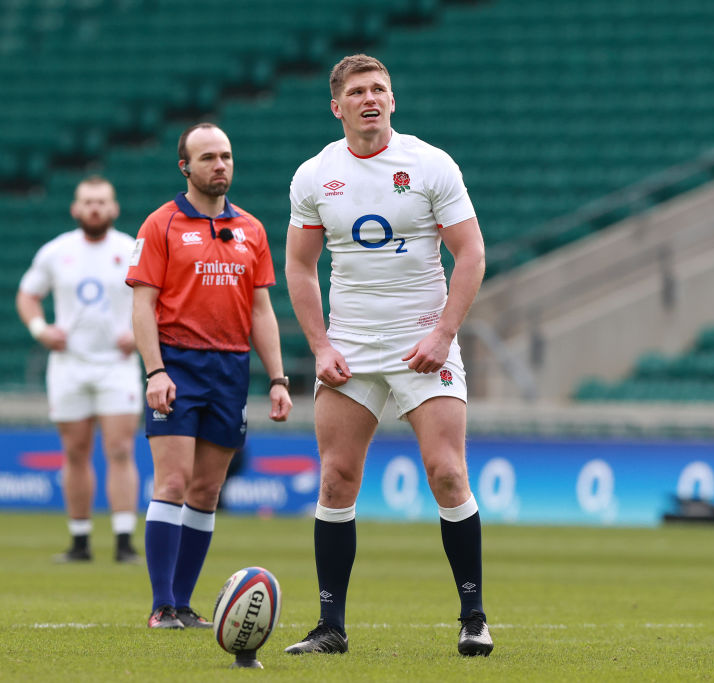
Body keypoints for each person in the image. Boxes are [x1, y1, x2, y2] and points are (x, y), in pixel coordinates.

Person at [284, 54, 492, 657]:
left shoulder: (430, 164)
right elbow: (298, 266)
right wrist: (320, 345)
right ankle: (330, 627)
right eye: (358, 91)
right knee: (336, 477)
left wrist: (443, 335)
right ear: (337, 106)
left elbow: (472, 255)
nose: (370, 98)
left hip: (423, 341)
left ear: (392, 101)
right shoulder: (314, 175)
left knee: (447, 472)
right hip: (350, 346)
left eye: (380, 89)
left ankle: (473, 617)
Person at [126, 122, 293, 630]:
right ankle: (161, 607)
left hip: (230, 367)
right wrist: (154, 370)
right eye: (207, 158)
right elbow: (142, 305)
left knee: (206, 492)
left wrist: (279, 378)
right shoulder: (161, 225)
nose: (220, 165)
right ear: (186, 168)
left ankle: (183, 602)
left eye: (225, 156)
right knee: (172, 481)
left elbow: (261, 310)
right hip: (176, 364)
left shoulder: (253, 230)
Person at [16, 176, 142, 564]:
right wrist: (40, 329)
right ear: (75, 208)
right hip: (68, 365)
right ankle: (80, 540)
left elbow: (158, 298)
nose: (94, 208)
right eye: (88, 202)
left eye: (101, 202)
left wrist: (138, 335)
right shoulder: (56, 251)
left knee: (120, 449)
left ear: (114, 208)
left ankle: (124, 540)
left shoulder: (131, 249)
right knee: (75, 451)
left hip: (116, 366)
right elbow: (28, 294)